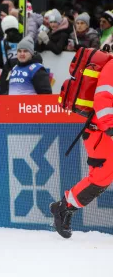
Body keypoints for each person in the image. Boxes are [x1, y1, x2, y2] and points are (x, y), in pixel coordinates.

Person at [50, 56, 113, 239]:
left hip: (104, 130)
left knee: (101, 179)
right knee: (100, 179)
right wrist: (110, 128)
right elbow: (103, 98)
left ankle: (64, 207)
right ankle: (64, 208)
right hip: (101, 132)